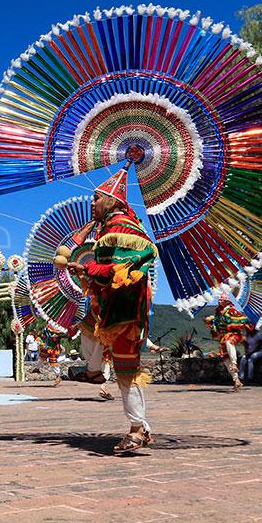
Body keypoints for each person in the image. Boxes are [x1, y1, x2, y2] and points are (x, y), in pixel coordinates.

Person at [65, 160, 159, 455]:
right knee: (94, 337)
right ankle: (96, 374)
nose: (91, 203)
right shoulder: (110, 228)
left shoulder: (121, 227)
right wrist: (87, 271)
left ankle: (137, 429)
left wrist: (88, 268)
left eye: (95, 198)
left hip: (125, 310)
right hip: (116, 307)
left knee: (126, 368)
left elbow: (122, 268)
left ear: (111, 200)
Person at [206, 299, 253, 391]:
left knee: (229, 342)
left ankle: (235, 364)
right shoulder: (218, 314)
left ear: (227, 301)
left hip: (235, 334)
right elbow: (216, 333)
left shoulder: (232, 310)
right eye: (219, 300)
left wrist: (231, 325)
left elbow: (243, 320)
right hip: (223, 338)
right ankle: (237, 381)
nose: (219, 301)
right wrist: (211, 324)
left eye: (222, 300)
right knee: (225, 359)